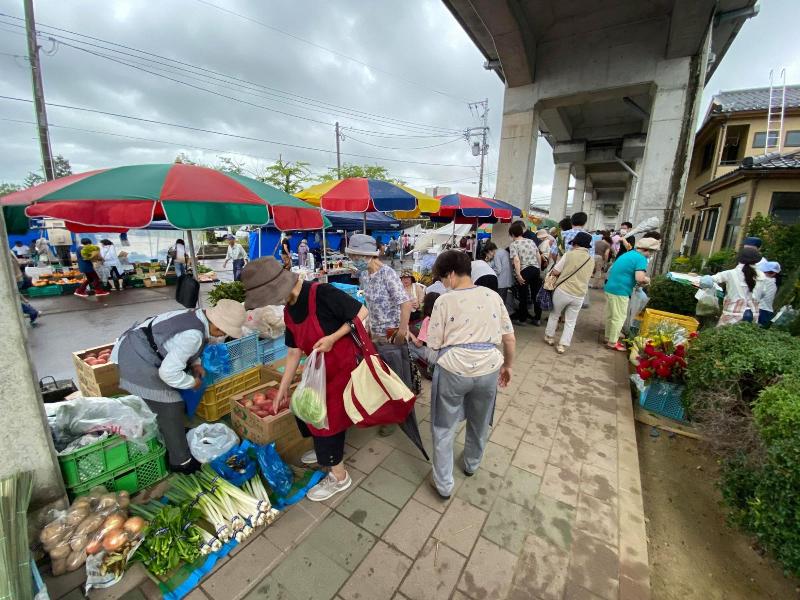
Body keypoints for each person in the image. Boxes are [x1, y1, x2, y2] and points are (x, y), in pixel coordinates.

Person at [242, 258, 368, 501]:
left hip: (341, 366)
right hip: (317, 370)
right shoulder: (290, 309)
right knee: (304, 408)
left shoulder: (323, 294)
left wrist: (333, 337)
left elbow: (362, 314)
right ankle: (325, 452)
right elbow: (293, 351)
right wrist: (283, 389)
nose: (271, 302)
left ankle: (339, 476)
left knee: (326, 420)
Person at [111, 299, 245, 473]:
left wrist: (196, 364)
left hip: (141, 347)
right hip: (136, 357)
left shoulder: (198, 316)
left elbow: (179, 347)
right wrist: (192, 382)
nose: (221, 337)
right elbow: (168, 373)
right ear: (218, 328)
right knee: (171, 405)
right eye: (223, 333)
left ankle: (172, 434)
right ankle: (181, 461)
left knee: (168, 401)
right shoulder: (193, 335)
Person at [426, 250, 515, 499]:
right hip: (489, 369)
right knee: (480, 420)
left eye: (443, 278)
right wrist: (508, 366)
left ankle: (444, 484)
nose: (444, 283)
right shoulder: (492, 296)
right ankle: (471, 464)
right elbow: (509, 338)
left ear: (451, 274)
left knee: (443, 427)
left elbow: (433, 344)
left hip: (453, 370)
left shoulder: (444, 300)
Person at [346, 234, 413, 437]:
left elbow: (405, 303)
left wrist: (403, 330)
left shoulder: (388, 274)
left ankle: (399, 416)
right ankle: (387, 412)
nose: (353, 260)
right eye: (352, 256)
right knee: (381, 376)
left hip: (392, 334)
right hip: (374, 333)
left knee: (395, 377)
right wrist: (367, 327)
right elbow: (369, 304)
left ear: (368, 255)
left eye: (356, 256)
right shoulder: (364, 276)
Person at [603, 237, 660, 350]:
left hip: (610, 287)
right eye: (651, 252)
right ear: (646, 250)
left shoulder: (628, 254)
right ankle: (612, 342)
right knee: (619, 317)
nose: (651, 255)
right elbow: (639, 278)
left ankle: (608, 337)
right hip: (621, 290)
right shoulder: (641, 259)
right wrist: (648, 280)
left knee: (611, 315)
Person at [543, 232, 595, 354]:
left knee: (555, 314)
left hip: (563, 290)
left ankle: (549, 337)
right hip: (580, 294)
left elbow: (555, 271)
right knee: (571, 321)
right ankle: (562, 345)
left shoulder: (569, 255)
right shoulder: (591, 259)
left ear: (576, 243)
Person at [700, 247, 767, 326]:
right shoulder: (761, 275)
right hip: (753, 314)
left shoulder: (730, 273)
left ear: (739, 259)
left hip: (732, 313)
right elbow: (763, 293)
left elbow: (706, 281)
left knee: (722, 336)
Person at [509, 220, 543, 326]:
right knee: (535, 294)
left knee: (523, 295)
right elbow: (538, 255)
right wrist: (539, 268)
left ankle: (522, 319)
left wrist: (518, 274)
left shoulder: (514, 244)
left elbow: (516, 260)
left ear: (512, 234)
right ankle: (537, 318)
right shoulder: (530, 241)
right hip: (535, 269)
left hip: (524, 271)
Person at [407, 291, 439, 374]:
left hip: (434, 356)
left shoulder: (428, 320)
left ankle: (424, 370)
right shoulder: (446, 317)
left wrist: (409, 332)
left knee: (409, 346)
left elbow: (419, 344)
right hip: (446, 354)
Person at [487, 241, 513, 308]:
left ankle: (500, 315)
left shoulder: (496, 254)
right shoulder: (503, 251)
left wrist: (490, 274)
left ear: (490, 250)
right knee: (502, 300)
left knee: (500, 301)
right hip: (507, 279)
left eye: (488, 253)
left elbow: (498, 270)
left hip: (501, 281)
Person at [756, 261, 780, 327]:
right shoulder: (774, 282)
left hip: (761, 310)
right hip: (766, 311)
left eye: (764, 271)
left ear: (773, 273)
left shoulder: (766, 280)